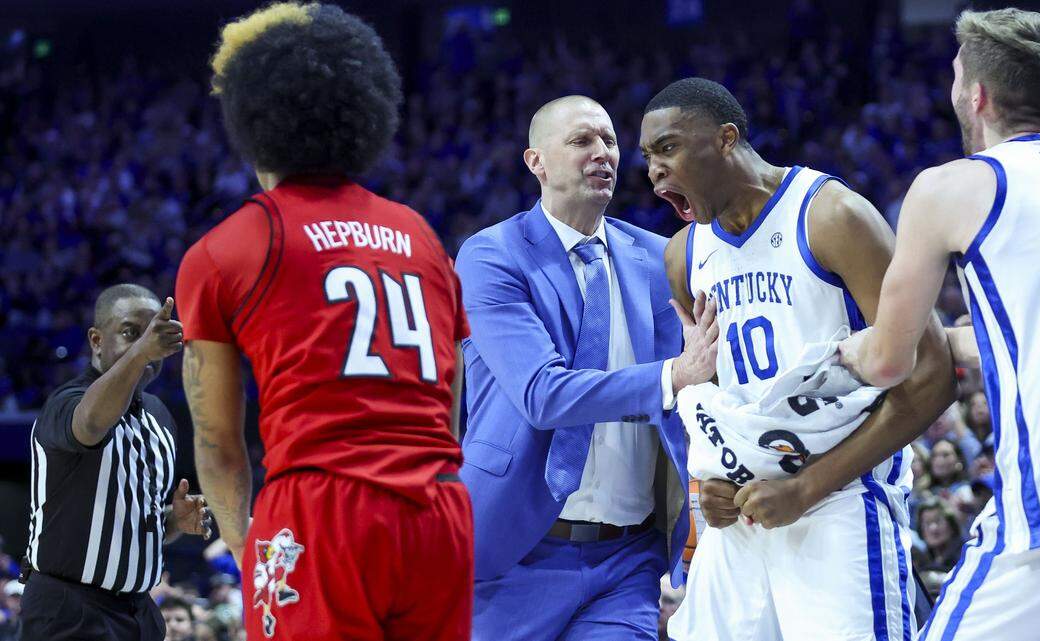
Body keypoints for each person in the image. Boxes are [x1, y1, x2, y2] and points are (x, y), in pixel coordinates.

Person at [838, 8, 1040, 640]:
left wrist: (843, 352)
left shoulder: (953, 187)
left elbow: (890, 361)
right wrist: (957, 339)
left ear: (974, 93)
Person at [176, 4, 471, 640]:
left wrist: (247, 546)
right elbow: (450, 397)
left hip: (323, 508)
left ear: (253, 115)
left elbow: (219, 443)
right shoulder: (421, 236)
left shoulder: (229, 247)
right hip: (440, 509)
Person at [639, 77, 956, 641]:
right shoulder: (683, 256)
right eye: (647, 157)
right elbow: (712, 398)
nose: (654, 171)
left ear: (725, 139)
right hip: (739, 517)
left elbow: (931, 377)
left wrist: (805, 489)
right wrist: (708, 483)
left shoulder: (830, 216)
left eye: (667, 148)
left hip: (838, 500)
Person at [456, 94, 717, 641]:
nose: (602, 153)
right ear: (537, 162)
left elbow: (707, 378)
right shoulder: (492, 256)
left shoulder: (662, 256)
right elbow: (542, 395)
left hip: (628, 558)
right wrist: (673, 376)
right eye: (581, 141)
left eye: (610, 142)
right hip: (516, 550)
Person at [18, 284, 210, 641]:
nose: (145, 344)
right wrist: (139, 354)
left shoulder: (160, 416)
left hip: (139, 613)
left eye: (152, 333)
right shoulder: (66, 402)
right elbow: (91, 424)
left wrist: (174, 520)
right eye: (130, 332)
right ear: (96, 340)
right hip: (68, 612)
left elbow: (136, 523)